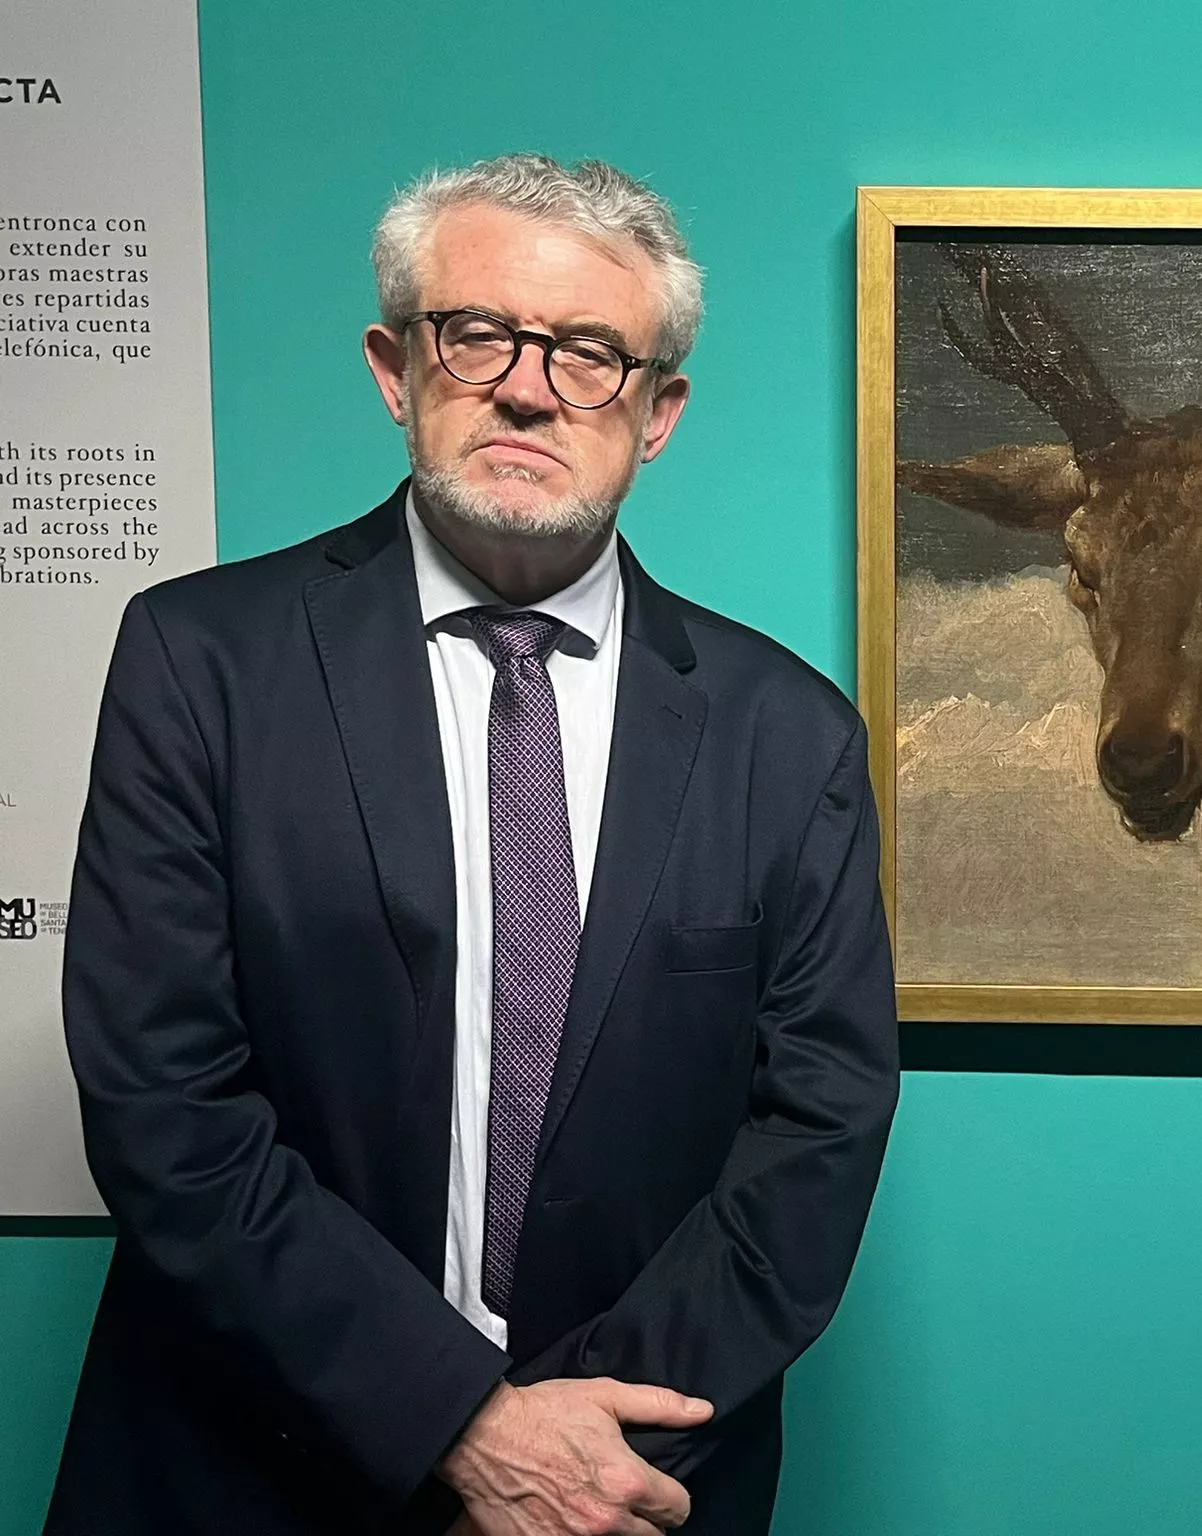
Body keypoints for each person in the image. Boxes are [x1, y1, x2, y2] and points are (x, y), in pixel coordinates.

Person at [45, 153, 899, 1536]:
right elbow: (165, 1104)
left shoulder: (787, 734)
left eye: (590, 354)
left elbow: (818, 1129)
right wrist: (457, 1423)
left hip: (629, 1487)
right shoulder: (200, 663)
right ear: (396, 368)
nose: (525, 385)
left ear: (659, 411)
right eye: (478, 333)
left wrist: (581, 1452)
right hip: (246, 1469)